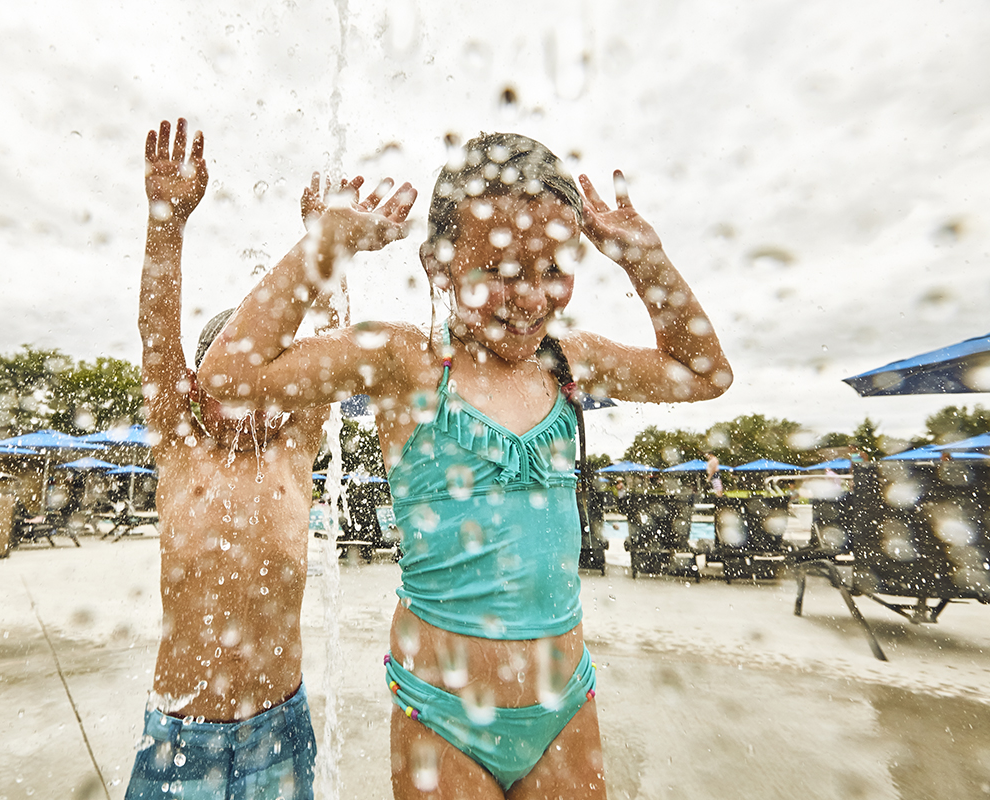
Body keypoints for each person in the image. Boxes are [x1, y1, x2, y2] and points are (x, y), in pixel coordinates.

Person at [200, 132, 731, 798]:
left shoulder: (567, 361)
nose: (530, 297)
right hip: (443, 716)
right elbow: (228, 374)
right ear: (439, 265)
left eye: (552, 268)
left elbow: (704, 373)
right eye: (501, 269)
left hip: (564, 707)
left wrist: (645, 259)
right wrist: (323, 246)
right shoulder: (406, 362)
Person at [124, 118, 331, 800]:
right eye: (231, 387)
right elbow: (157, 334)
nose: (250, 404)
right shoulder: (181, 453)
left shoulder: (293, 452)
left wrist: (326, 241)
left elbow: (335, 341)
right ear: (194, 391)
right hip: (181, 732)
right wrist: (166, 221)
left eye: (266, 386)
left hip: (279, 724)